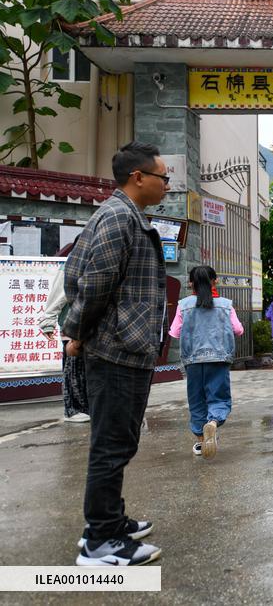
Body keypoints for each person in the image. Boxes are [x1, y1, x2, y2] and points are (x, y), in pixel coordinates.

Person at [64, 141, 167, 566]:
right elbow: (92, 283)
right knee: (110, 444)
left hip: (128, 349)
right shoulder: (117, 217)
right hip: (114, 350)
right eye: (163, 177)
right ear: (137, 177)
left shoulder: (127, 216)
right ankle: (99, 540)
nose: (167, 185)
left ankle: (110, 519)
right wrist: (76, 332)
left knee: (120, 441)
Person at [168, 265, 244, 459]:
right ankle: (213, 423)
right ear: (215, 281)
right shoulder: (226, 305)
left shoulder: (183, 304)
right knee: (218, 396)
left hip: (192, 360)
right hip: (219, 359)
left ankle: (202, 441)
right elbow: (238, 330)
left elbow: (175, 332)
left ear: (191, 283)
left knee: (196, 398)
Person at [40, 238, 89, 423]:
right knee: (73, 369)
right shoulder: (73, 263)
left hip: (88, 326)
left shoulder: (92, 263)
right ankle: (73, 409)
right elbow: (58, 294)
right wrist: (48, 320)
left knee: (85, 369)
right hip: (72, 325)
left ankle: (86, 407)